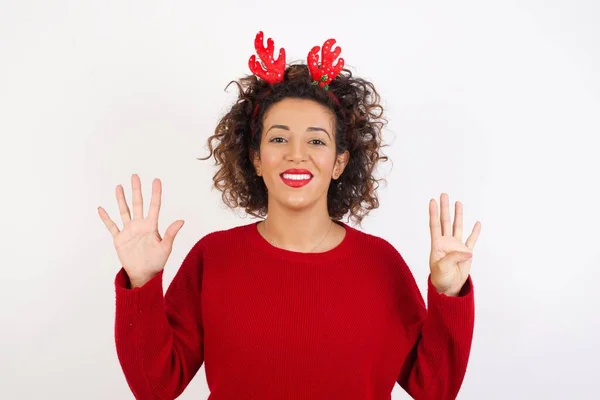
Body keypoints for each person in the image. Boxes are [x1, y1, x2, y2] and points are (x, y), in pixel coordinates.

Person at [97, 31, 482, 400]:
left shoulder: (382, 263)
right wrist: (142, 282)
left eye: (316, 140)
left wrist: (449, 296)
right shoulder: (212, 258)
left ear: (339, 162)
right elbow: (156, 387)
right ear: (256, 159)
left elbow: (435, 390)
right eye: (279, 138)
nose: (297, 154)